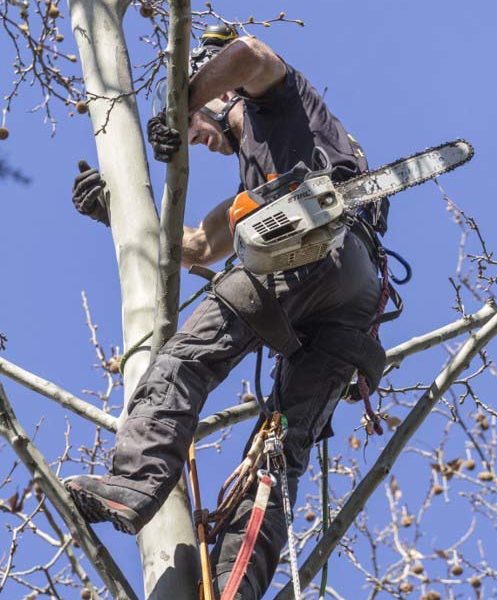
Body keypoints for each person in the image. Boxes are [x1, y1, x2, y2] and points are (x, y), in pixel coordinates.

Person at [68, 26, 390, 599]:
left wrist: (181, 98)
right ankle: (232, 588)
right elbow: (195, 248)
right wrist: (116, 211)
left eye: (195, 124)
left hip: (307, 243)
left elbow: (248, 55)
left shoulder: (280, 103)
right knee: (277, 453)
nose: (195, 138)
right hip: (351, 299)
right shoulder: (256, 183)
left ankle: (134, 484)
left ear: (221, 92)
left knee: (184, 361)